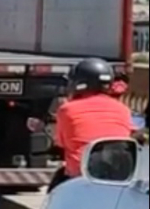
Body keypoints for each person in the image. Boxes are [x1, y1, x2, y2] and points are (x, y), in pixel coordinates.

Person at [35, 58, 138, 190]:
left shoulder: (67, 110)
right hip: (118, 177)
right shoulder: (123, 109)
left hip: (81, 176)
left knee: (56, 187)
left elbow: (60, 143)